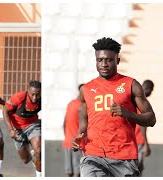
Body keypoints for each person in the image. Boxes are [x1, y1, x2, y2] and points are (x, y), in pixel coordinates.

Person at [72, 37, 156, 177]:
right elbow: (84, 121)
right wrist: (78, 138)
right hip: (94, 154)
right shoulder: (86, 89)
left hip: (124, 156)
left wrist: (128, 114)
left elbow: (151, 119)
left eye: (109, 60)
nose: (104, 64)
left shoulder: (131, 85)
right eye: (100, 60)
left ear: (117, 60)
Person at [2, 80, 41, 177]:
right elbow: (5, 111)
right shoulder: (19, 97)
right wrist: (11, 130)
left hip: (33, 125)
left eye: (37, 94)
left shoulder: (42, 99)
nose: (35, 98)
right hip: (17, 128)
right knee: (25, 160)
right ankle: (33, 158)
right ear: (28, 91)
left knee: (38, 151)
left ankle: (39, 176)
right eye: (32, 94)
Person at [62, 84, 84, 177]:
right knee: (78, 172)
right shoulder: (83, 106)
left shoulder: (71, 103)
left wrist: (67, 137)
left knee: (69, 172)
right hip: (78, 143)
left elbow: (64, 123)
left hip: (67, 142)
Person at [134, 79, 154, 176]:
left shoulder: (134, 100)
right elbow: (143, 124)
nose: (151, 92)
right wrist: (146, 143)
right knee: (136, 169)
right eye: (151, 89)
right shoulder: (142, 102)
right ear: (147, 88)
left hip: (132, 139)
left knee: (139, 168)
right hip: (138, 141)